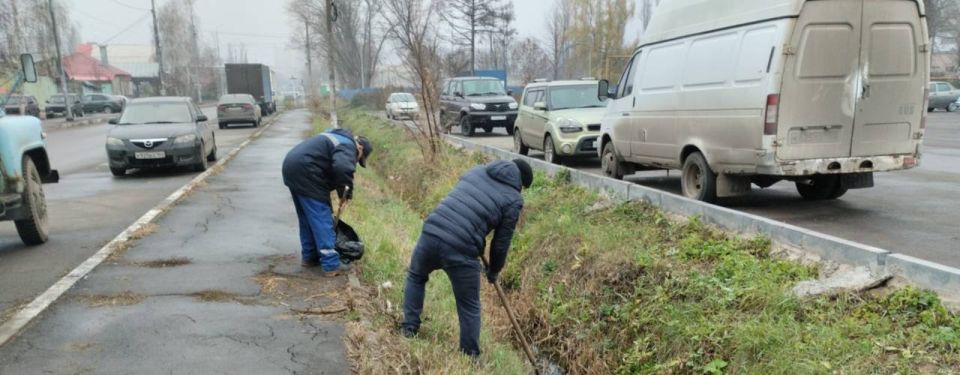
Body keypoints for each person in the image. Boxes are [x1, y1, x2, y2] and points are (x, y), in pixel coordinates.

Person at [400, 159, 534, 357]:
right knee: (469, 305)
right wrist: (494, 271)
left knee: (416, 276)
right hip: (461, 247)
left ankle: (409, 328)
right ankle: (470, 355)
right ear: (521, 183)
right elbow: (501, 243)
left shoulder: (477, 171)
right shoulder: (514, 199)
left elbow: (463, 201)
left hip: (432, 229)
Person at [282, 128, 373, 276]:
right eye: (358, 159)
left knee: (307, 217)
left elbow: (330, 167)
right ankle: (331, 264)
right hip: (306, 171)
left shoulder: (335, 137)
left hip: (291, 167)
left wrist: (340, 194)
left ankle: (310, 257)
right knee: (321, 217)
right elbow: (343, 168)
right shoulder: (348, 145)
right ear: (360, 147)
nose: (356, 161)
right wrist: (346, 194)